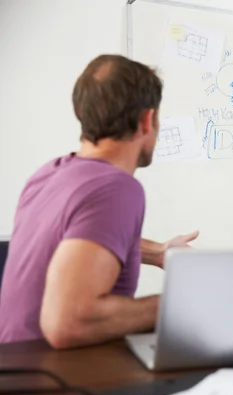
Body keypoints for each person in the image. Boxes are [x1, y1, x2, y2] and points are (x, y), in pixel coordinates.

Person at [0, 54, 198, 349]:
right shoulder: (116, 188)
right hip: (53, 381)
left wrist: (159, 252)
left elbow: (78, 235)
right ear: (147, 119)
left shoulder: (50, 174)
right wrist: (180, 305)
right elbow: (68, 322)